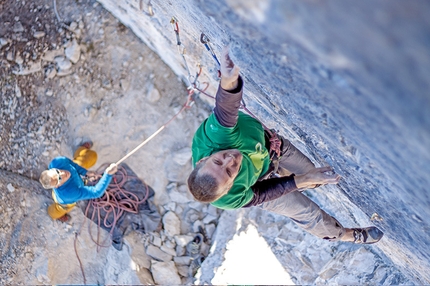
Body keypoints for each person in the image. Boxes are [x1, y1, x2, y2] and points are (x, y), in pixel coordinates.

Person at [187, 46, 383, 244]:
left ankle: (305, 180)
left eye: (218, 161)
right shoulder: (229, 198)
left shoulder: (216, 139)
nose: (230, 159)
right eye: (230, 172)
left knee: (315, 177)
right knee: (307, 211)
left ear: (204, 159)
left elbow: (225, 110)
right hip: (259, 175)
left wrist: (229, 82)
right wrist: (299, 181)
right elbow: (262, 193)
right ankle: (347, 235)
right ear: (230, 186)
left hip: (272, 148)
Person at [39, 141, 117, 222]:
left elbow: (71, 164)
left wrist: (85, 172)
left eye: (58, 172)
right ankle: (55, 215)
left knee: (91, 156)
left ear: (53, 168)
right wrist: (108, 174)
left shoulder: (57, 162)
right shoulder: (70, 194)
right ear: (57, 186)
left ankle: (81, 150)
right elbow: (96, 192)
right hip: (66, 199)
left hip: (76, 177)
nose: (63, 173)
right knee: (59, 210)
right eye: (59, 179)